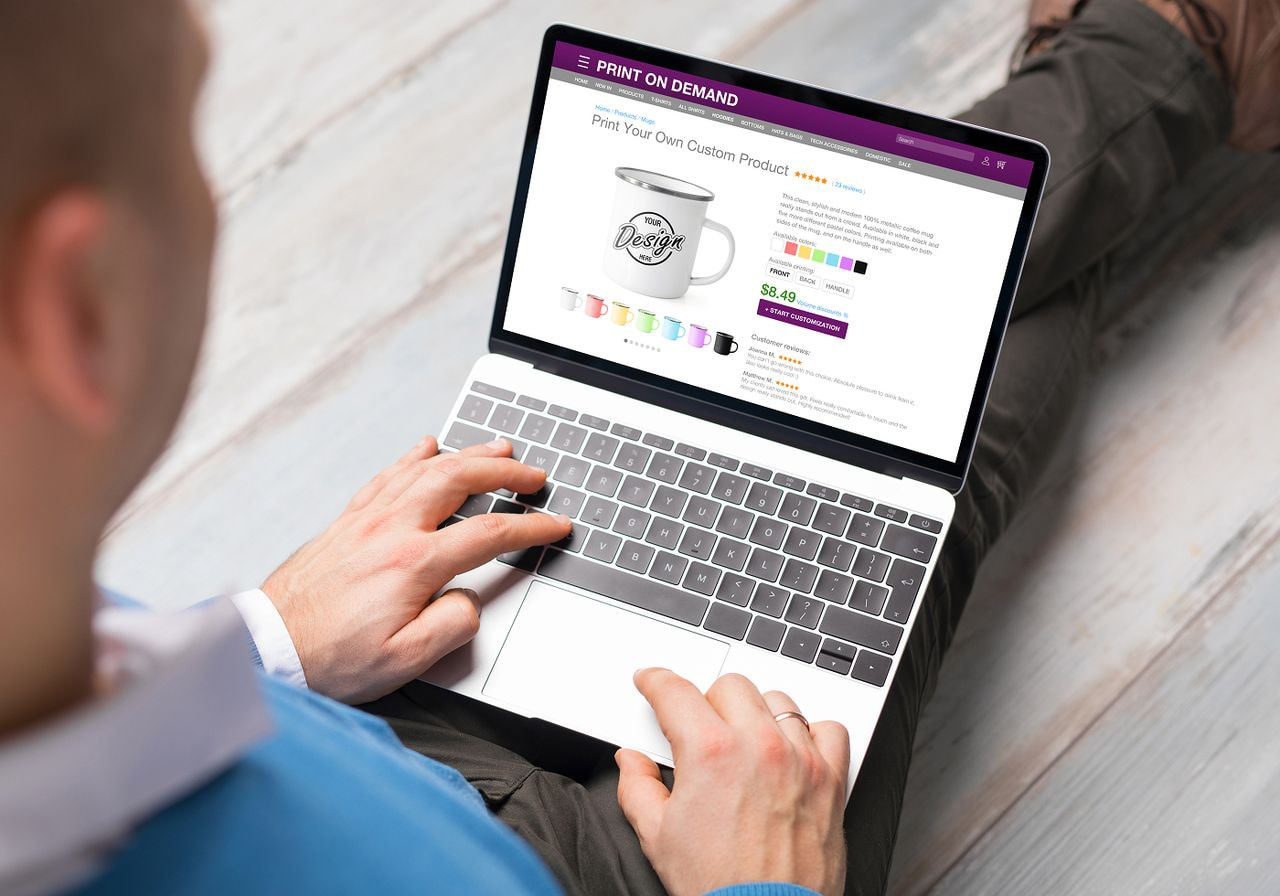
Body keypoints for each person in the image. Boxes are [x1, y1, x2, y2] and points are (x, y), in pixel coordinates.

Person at [0, 0, 1273, 894]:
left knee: (859, 416)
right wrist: (757, 889)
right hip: (598, 868)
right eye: (187, 116)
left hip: (352, 721)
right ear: (84, 305)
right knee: (932, 471)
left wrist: (263, 642)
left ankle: (1161, 55)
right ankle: (1167, 50)